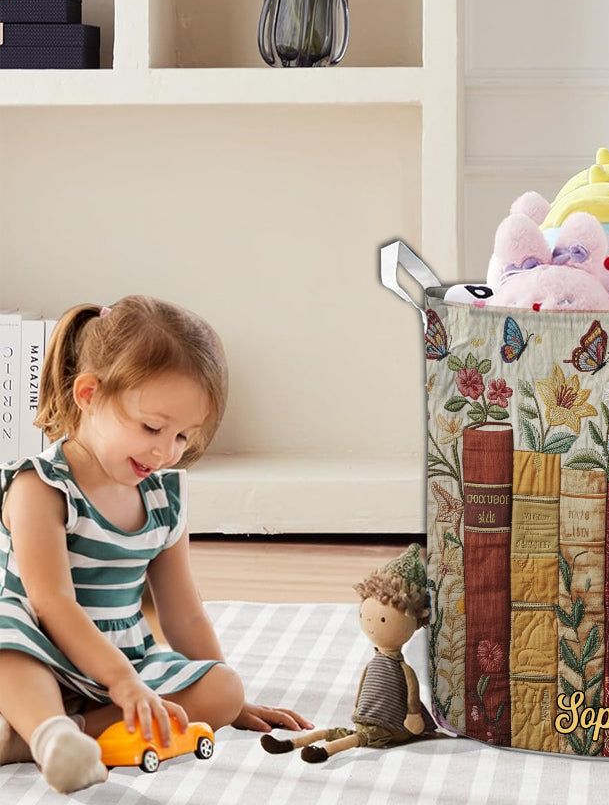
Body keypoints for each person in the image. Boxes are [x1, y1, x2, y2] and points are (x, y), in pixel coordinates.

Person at [0, 296, 312, 792]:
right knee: (6, 640)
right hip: (42, 646)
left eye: (184, 437)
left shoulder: (164, 496)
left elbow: (183, 613)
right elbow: (51, 603)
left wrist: (230, 699)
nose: (166, 452)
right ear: (87, 395)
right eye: (152, 428)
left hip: (124, 656)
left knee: (223, 689)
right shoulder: (39, 487)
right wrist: (121, 680)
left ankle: (65, 734)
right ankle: (44, 728)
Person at [260, 543, 438, 762]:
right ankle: (288, 744)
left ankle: (324, 752)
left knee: (357, 738)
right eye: (366, 615)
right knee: (330, 731)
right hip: (367, 718)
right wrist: (357, 709)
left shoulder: (402, 669)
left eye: (382, 619)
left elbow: (412, 694)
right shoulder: (375, 662)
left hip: (392, 726)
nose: (372, 624)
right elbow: (365, 683)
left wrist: (413, 716)